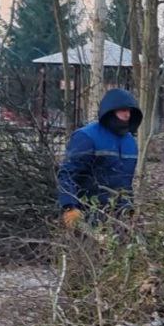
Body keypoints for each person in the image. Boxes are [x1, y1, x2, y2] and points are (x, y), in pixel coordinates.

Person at [57, 88, 142, 228]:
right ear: (110, 111)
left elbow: (125, 183)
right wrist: (69, 206)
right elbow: (67, 174)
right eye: (122, 110)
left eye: (129, 111)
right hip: (86, 211)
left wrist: (129, 208)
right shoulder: (87, 137)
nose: (127, 115)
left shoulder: (130, 143)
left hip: (116, 217)